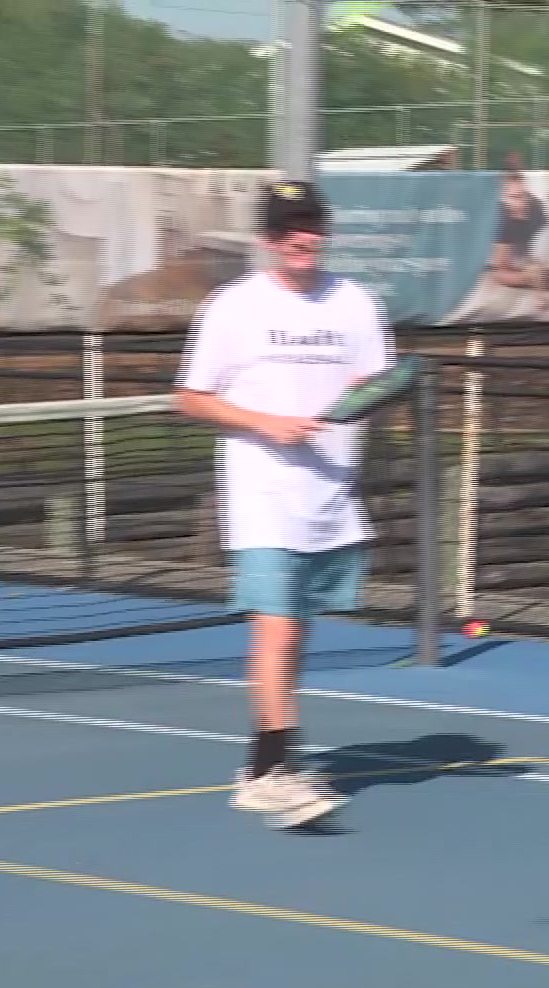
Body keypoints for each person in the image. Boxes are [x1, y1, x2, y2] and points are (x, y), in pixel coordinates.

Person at [174, 180, 394, 830]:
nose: (303, 239)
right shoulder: (232, 307)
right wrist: (264, 423)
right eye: (288, 229)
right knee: (276, 629)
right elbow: (190, 397)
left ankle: (260, 761)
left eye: (311, 226)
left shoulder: (356, 303)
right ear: (267, 240)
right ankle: (275, 770)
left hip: (331, 498)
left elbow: (373, 385)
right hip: (262, 494)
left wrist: (369, 394)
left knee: (297, 632)